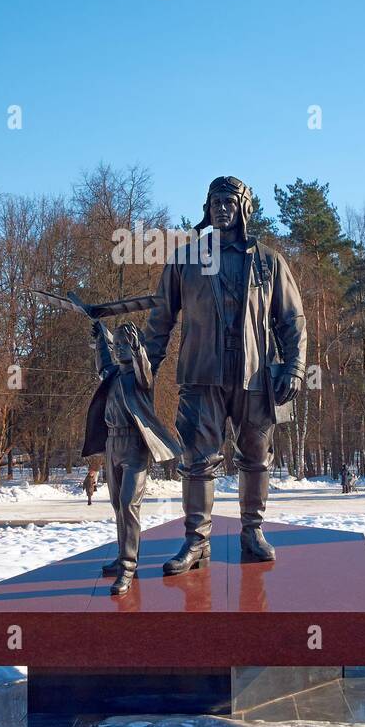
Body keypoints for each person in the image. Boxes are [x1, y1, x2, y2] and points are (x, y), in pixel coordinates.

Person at [142, 176, 307, 574]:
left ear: (245, 208)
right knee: (197, 461)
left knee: (256, 459)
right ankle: (196, 541)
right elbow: (161, 318)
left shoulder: (269, 261)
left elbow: (291, 320)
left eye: (228, 201)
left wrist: (295, 366)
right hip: (202, 374)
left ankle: (252, 532)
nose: (220, 208)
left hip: (255, 376)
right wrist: (144, 367)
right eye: (214, 201)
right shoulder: (185, 259)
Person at [81, 320, 182, 596]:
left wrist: (138, 350)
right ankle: (121, 556)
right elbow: (102, 364)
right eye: (118, 345)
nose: (119, 349)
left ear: (135, 345)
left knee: (128, 504)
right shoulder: (112, 375)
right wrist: (101, 337)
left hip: (135, 445)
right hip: (113, 443)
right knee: (116, 505)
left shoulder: (141, 379)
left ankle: (128, 566)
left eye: (125, 344)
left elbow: (145, 370)